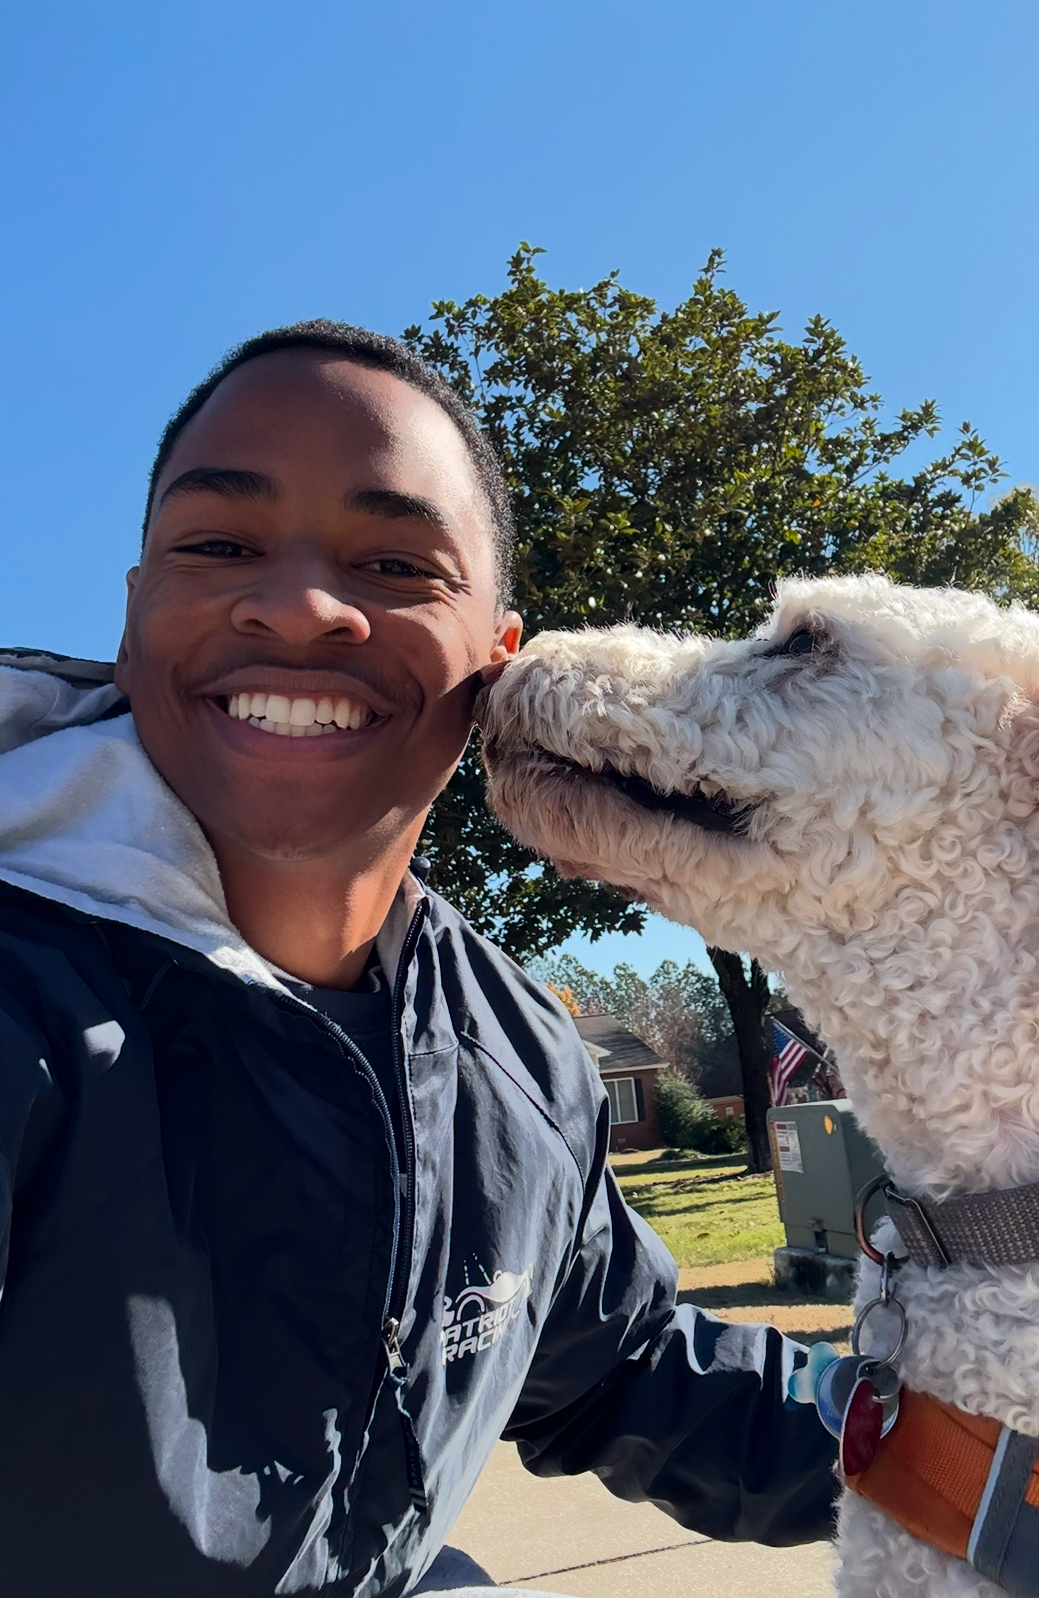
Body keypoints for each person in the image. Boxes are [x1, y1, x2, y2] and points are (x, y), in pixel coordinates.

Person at [0, 321, 837, 1597]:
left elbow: (622, 1365)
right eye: (218, 543)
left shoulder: (515, 1049)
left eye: (394, 561)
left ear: (497, 661)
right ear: (133, 614)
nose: (294, 601)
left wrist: (1021, 1456)